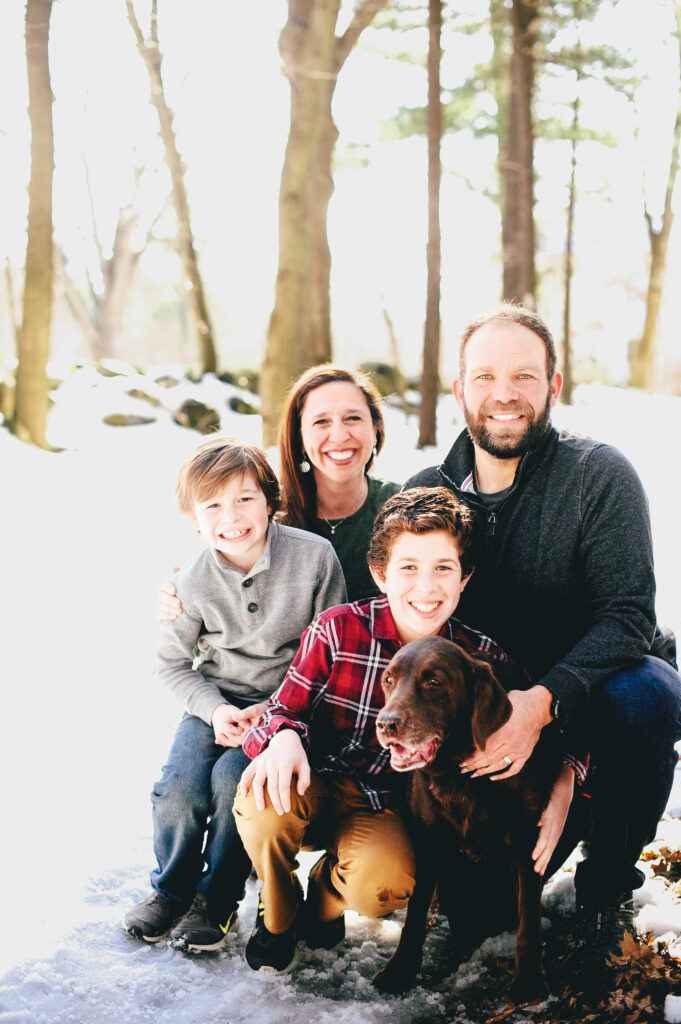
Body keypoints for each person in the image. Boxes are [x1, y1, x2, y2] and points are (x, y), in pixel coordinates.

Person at [405, 303, 681, 965]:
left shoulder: (596, 476)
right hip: (493, 738)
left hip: (591, 711)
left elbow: (625, 616)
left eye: (524, 376)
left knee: (647, 694)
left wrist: (546, 715)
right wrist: (220, 569)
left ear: (553, 386)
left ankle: (603, 886)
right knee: (479, 917)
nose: (504, 393)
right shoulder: (427, 492)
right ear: (459, 390)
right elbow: (374, 593)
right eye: (485, 376)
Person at [232, 487, 579, 973]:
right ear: (380, 574)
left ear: (465, 578)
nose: (426, 586)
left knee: (389, 880)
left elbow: (549, 724)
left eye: (443, 568)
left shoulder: (481, 660)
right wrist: (284, 735)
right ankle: (278, 909)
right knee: (261, 799)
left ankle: (325, 901)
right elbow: (276, 712)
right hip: (317, 784)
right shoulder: (337, 630)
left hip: (383, 809)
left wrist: (566, 778)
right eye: (408, 567)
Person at [123, 437, 346, 952]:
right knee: (178, 788)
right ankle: (171, 890)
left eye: (245, 498)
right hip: (216, 700)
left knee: (232, 785)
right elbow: (172, 666)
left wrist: (275, 711)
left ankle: (216, 899)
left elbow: (332, 653)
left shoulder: (315, 558)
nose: (232, 516)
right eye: (213, 506)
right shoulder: (192, 580)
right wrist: (216, 709)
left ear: (270, 499)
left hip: (290, 706)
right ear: (193, 518)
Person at [158, 366, 400, 619]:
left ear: (375, 429)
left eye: (353, 418)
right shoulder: (262, 511)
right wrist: (177, 595)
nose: (338, 435)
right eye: (321, 421)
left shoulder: (400, 506)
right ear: (299, 436)